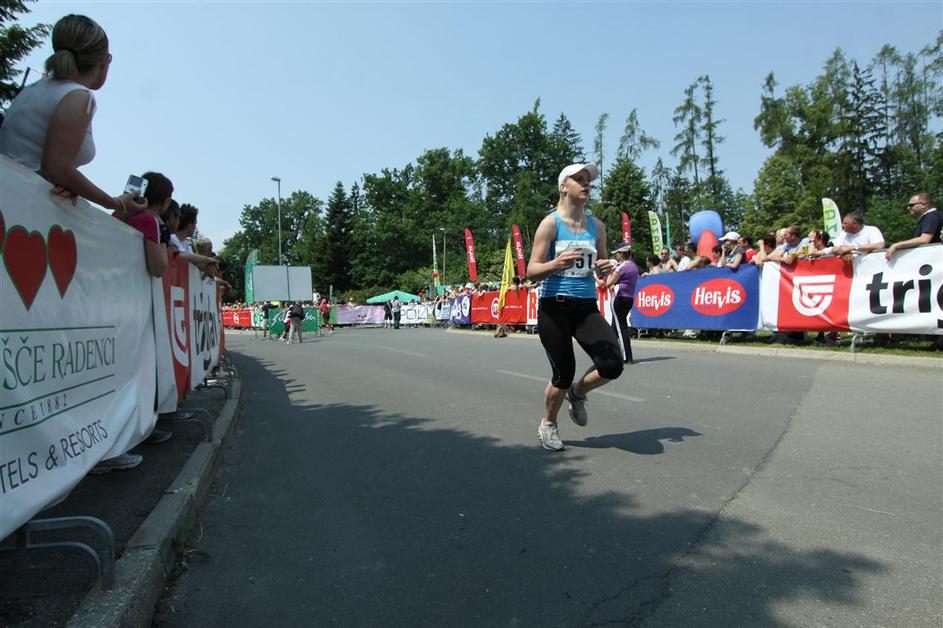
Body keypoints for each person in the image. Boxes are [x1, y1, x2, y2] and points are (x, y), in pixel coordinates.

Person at [0, 14, 147, 217]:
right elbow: (56, 169)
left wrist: (69, 182)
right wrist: (116, 203)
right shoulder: (78, 97)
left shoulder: (35, 88)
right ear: (102, 63)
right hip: (17, 204)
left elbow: (50, 169)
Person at [526, 163, 623, 452]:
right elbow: (531, 271)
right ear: (563, 186)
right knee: (563, 374)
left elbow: (600, 268)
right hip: (554, 307)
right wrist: (556, 264)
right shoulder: (550, 224)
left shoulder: (597, 226)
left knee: (612, 364)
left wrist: (605, 268)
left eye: (588, 180)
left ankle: (578, 394)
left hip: (585, 307)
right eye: (578, 179)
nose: (585, 184)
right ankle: (548, 424)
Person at [605, 243, 639, 364]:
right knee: (615, 327)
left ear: (621, 254)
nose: (616, 256)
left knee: (621, 328)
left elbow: (608, 284)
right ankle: (609, 353)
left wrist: (611, 272)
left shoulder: (621, 267)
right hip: (629, 298)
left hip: (619, 298)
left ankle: (627, 357)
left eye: (617, 253)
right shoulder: (634, 266)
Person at [885, 192, 942, 260]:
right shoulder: (928, 217)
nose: (908, 208)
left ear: (923, 204)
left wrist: (896, 245)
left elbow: (924, 239)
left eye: (911, 205)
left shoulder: (932, 216)